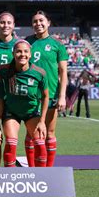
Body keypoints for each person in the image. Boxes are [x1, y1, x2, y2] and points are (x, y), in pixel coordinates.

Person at [0, 40, 49, 167]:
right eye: (18, 51)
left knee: (40, 145)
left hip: (32, 113)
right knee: (11, 144)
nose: (22, 54)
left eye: (25, 51)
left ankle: (42, 179)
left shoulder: (39, 73)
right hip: (11, 112)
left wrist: (42, 121)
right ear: (13, 53)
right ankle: (10, 180)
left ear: (30, 54)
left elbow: (45, 97)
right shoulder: (4, 70)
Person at [25, 10, 68, 167]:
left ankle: (48, 171)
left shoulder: (57, 45)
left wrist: (62, 96)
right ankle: (32, 169)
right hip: (30, 95)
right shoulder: (27, 42)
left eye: (41, 20)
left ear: (48, 23)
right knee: (31, 135)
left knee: (49, 133)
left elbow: (63, 72)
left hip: (50, 95)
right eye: (35, 21)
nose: (38, 24)